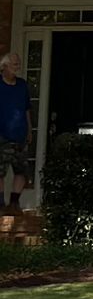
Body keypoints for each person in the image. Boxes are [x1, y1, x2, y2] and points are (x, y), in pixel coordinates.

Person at [0, 51, 30, 214]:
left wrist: (29, 129)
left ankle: (14, 203)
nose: (17, 67)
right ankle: (0, 204)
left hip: (20, 135)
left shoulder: (22, 85)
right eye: (14, 64)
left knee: (22, 171)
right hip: (2, 134)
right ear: (4, 67)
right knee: (0, 172)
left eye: (18, 64)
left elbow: (26, 109)